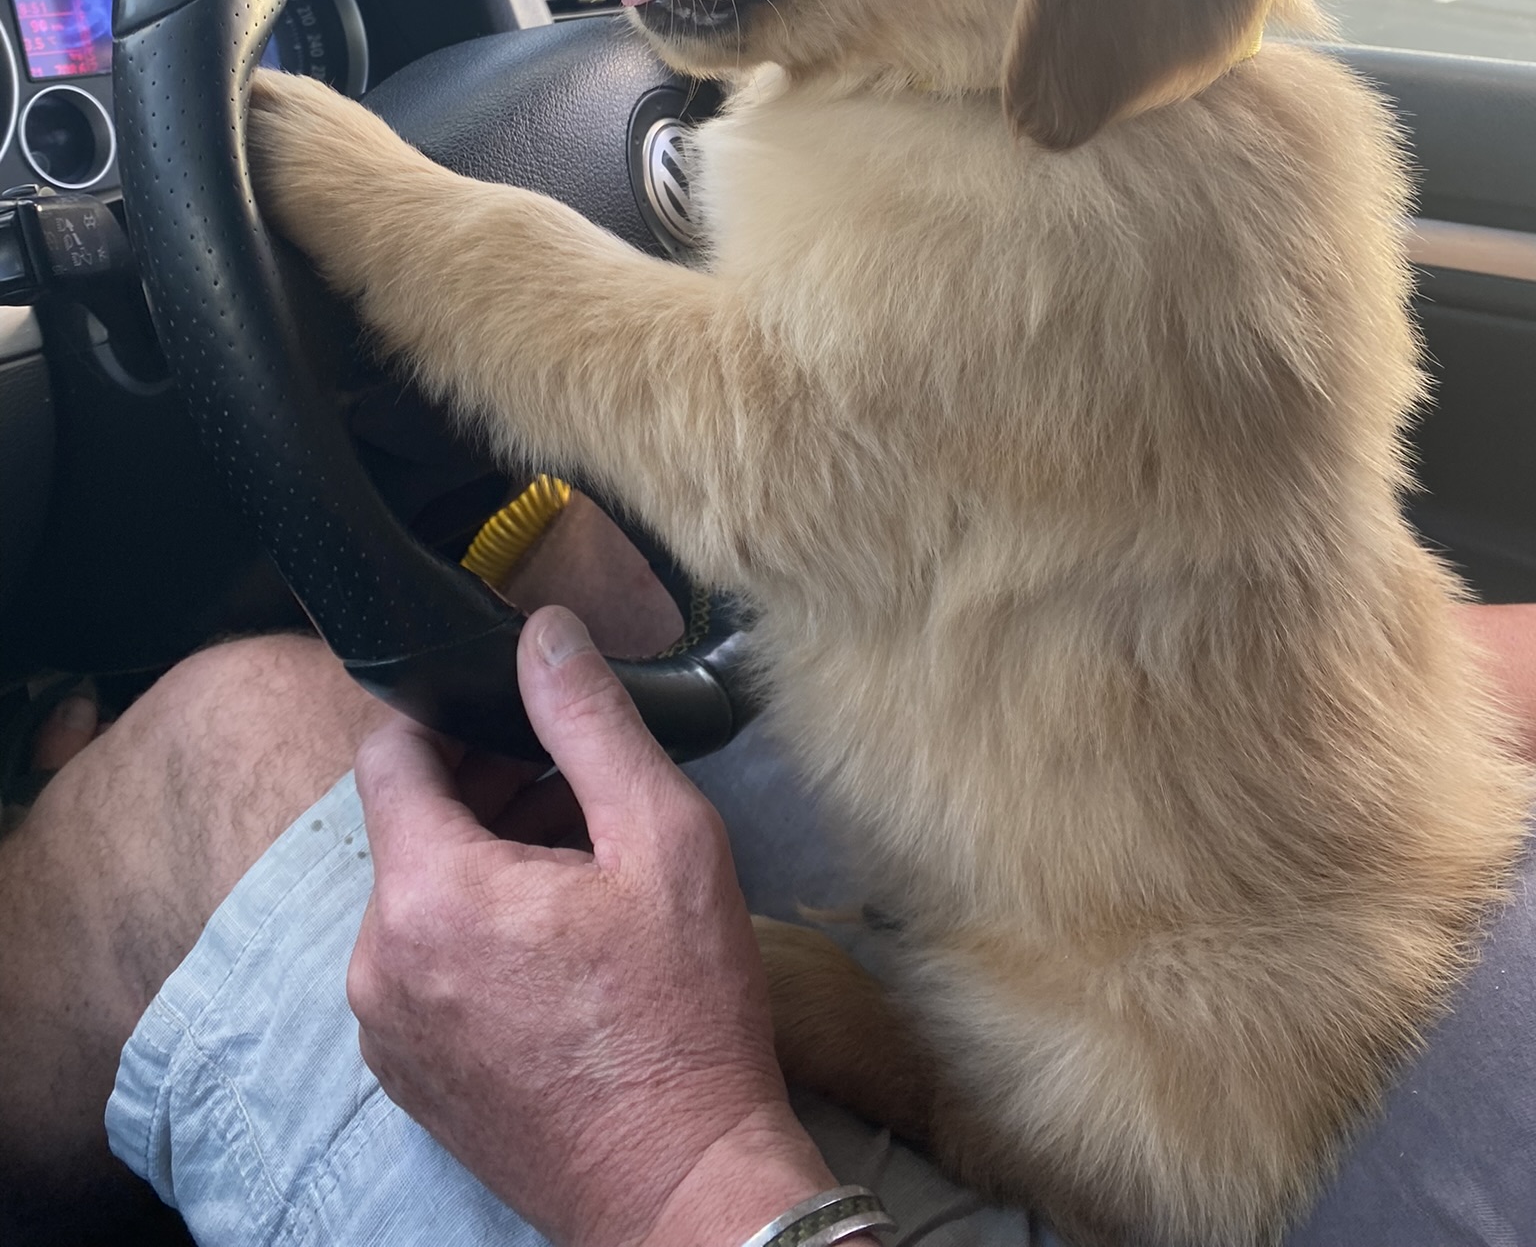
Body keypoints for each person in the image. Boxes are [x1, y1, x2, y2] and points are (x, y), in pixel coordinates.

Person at [1, 502, 1534, 1247]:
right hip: (1169, 984)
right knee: (593, 580)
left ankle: (91, 814)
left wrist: (673, 1170)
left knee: (240, 740)